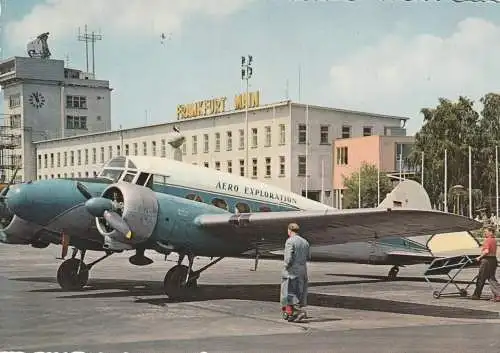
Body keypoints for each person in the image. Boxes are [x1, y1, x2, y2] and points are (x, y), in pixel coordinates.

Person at [280, 222, 310, 321]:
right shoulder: (305, 242)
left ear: (289, 230)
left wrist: (285, 267)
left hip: (292, 271)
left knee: (289, 292)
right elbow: (308, 256)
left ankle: (298, 311)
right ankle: (294, 313)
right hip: (303, 270)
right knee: (299, 291)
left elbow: (288, 258)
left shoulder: (290, 241)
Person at [472, 226, 499, 301]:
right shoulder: (494, 240)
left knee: (481, 277)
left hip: (487, 260)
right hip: (493, 259)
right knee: (491, 277)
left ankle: (476, 295)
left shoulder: (488, 240)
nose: (485, 233)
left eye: (486, 231)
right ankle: (498, 294)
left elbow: (486, 251)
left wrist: (479, 257)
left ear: (491, 232)